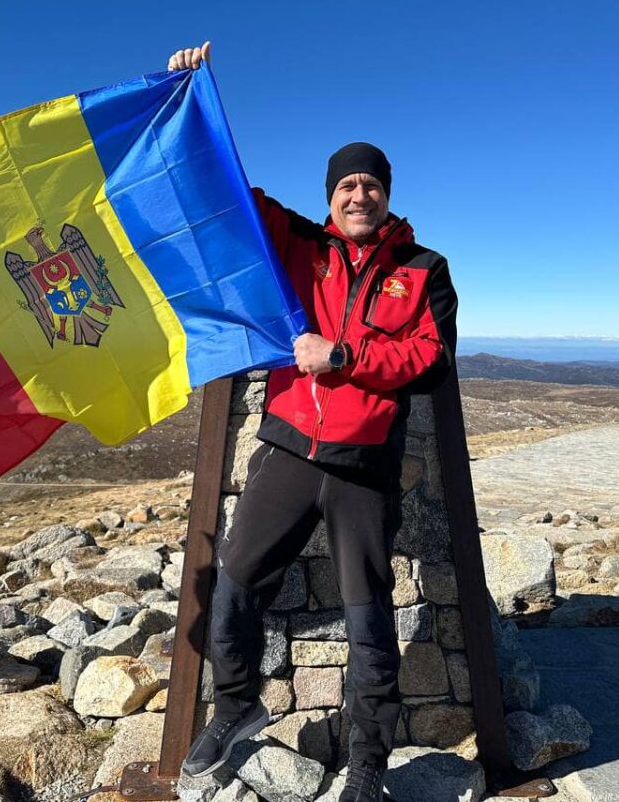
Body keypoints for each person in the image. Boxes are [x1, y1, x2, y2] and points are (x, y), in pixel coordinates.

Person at [168, 42, 458, 802]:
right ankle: (235, 707)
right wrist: (188, 97)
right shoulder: (301, 245)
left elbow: (430, 359)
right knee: (230, 587)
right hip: (289, 451)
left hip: (363, 467)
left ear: (387, 195)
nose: (357, 194)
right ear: (330, 197)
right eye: (346, 184)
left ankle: (368, 769)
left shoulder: (425, 269)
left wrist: (345, 355)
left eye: (370, 183)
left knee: (369, 628)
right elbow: (226, 194)